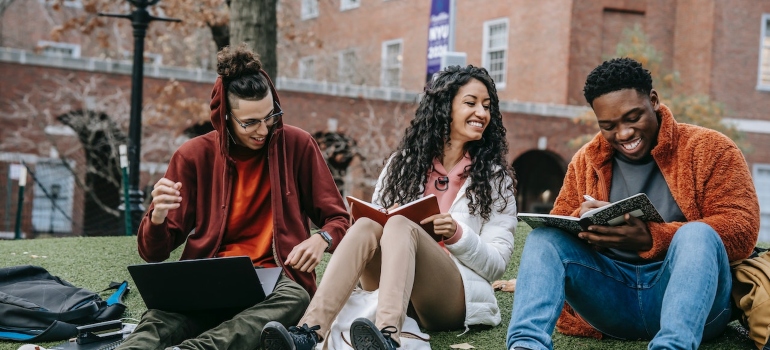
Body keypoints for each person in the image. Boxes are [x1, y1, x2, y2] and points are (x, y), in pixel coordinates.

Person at [506, 57, 760, 350]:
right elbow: (561, 223)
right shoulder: (586, 159)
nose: (624, 134)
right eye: (609, 126)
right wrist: (581, 219)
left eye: (633, 117)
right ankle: (526, 345)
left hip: (694, 305)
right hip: (612, 299)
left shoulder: (712, 149)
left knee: (698, 234)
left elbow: (742, 229)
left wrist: (653, 237)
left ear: (653, 100)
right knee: (544, 238)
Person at [259, 65, 518, 350]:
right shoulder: (402, 164)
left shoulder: (495, 178)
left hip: (449, 298)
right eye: (471, 103)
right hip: (391, 287)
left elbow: (496, 264)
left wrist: (457, 234)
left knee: (400, 224)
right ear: (445, 108)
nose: (482, 113)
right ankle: (308, 333)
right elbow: (375, 227)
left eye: (487, 106)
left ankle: (387, 337)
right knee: (369, 224)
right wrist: (387, 218)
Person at [118, 44, 350, 350]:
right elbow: (153, 253)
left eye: (270, 116)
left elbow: (339, 219)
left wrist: (322, 239)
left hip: (275, 281)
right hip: (209, 279)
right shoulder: (193, 156)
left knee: (296, 297)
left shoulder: (298, 145)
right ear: (224, 116)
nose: (264, 130)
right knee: (159, 319)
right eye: (250, 122)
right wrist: (157, 218)